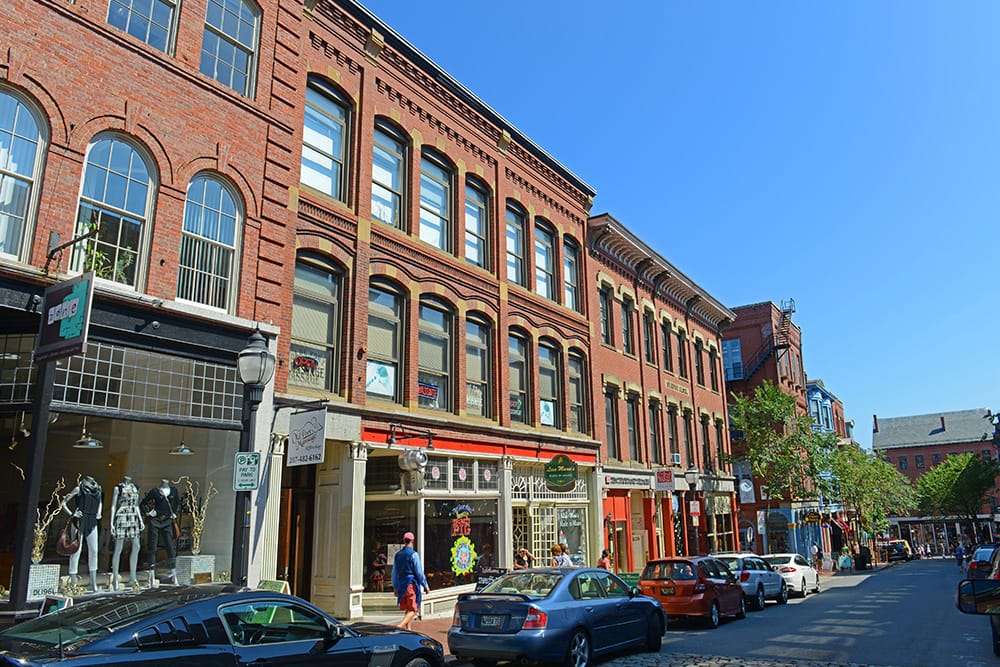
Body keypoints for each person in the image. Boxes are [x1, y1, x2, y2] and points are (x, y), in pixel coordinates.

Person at [61, 474, 103, 592]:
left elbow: (100, 502)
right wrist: (72, 514)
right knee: (76, 551)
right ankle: (73, 583)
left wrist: (99, 512)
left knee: (94, 550)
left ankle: (93, 583)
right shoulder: (79, 488)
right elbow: (63, 502)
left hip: (92, 520)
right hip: (79, 521)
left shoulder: (98, 489)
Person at [141, 479, 181, 585]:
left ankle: (174, 575)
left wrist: (175, 513)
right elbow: (143, 503)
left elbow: (177, 503)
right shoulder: (155, 492)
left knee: (170, 547)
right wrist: (149, 513)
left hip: (167, 520)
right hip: (155, 520)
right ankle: (151, 575)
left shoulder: (173, 491)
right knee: (152, 547)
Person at [109, 475, 144, 590]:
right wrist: (111, 522)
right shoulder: (118, 488)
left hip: (133, 516)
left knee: (136, 545)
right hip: (122, 516)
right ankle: (115, 579)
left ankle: (133, 577)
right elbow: (113, 506)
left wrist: (140, 520)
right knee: (118, 548)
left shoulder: (135, 488)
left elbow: (137, 505)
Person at [392, 531, 429, 631]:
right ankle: (400, 626)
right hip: (411, 584)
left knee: (408, 608)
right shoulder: (414, 555)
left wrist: (395, 587)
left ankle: (408, 630)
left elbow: (394, 573)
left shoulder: (397, 555)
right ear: (412, 541)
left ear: (404, 541)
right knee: (414, 609)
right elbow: (419, 572)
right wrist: (425, 585)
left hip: (401, 584)